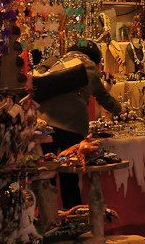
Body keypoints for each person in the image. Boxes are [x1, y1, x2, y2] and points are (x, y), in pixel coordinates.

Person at [34, 40, 122, 208]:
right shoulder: (90, 67)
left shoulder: (58, 61)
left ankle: (48, 218)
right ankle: (72, 218)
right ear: (96, 58)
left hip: (45, 126)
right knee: (70, 177)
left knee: (47, 174)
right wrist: (119, 109)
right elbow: (104, 97)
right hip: (72, 127)